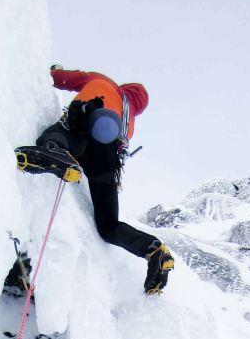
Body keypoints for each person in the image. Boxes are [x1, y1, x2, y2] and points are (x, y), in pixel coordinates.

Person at [36, 66, 174, 295]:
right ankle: (154, 251)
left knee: (68, 135)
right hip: (108, 156)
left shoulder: (104, 82)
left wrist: (50, 71)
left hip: (90, 117)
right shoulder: (129, 120)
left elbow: (67, 79)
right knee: (109, 225)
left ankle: (54, 151)